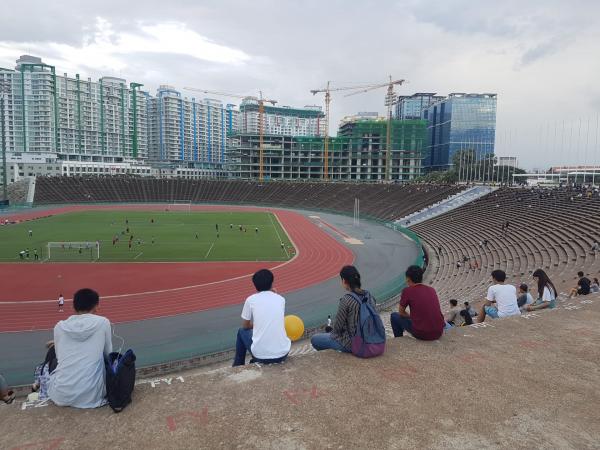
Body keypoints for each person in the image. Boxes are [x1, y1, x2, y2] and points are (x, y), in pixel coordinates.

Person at [48, 288, 112, 408]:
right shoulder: (103, 323)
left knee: (53, 356)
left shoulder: (59, 327)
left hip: (61, 395)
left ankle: (37, 384)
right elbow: (109, 354)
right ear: (96, 306)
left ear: (74, 307)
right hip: (92, 394)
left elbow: (59, 357)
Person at [311, 265, 377, 351]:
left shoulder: (346, 300)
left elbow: (337, 329)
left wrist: (331, 331)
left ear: (344, 281)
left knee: (315, 339)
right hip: (370, 339)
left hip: (351, 344)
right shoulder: (370, 297)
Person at [232, 270, 290, 366]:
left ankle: (238, 365)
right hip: (283, 354)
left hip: (260, 356)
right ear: (272, 283)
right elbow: (273, 318)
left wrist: (258, 325)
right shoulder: (281, 299)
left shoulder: (250, 300)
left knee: (241, 331)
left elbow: (245, 326)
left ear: (255, 285)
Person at [390, 265, 445, 340]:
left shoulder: (407, 291)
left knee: (394, 316)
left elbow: (401, 313)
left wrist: (411, 317)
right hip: (439, 331)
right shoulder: (431, 290)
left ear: (408, 278)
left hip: (422, 333)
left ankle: (399, 340)